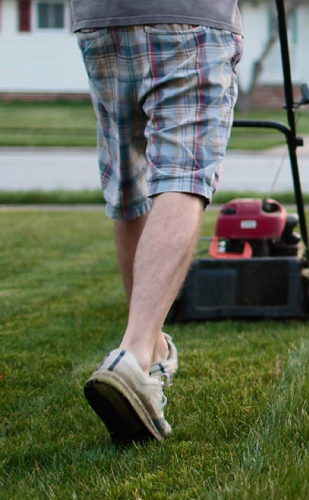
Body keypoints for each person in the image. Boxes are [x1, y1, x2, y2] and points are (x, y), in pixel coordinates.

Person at [71, 1, 243, 442]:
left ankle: (152, 350)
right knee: (182, 176)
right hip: (189, 14)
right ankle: (133, 355)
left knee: (130, 183)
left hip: (101, 20)